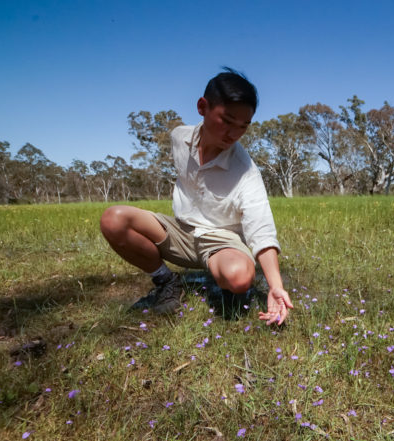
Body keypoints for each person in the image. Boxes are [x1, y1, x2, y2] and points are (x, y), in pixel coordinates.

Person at [100, 68, 292, 325]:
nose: (233, 134)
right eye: (226, 120)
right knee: (114, 219)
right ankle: (167, 281)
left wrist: (275, 285)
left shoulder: (245, 172)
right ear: (203, 107)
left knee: (239, 277)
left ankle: (224, 277)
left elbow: (262, 229)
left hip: (221, 242)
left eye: (243, 126)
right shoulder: (179, 138)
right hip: (181, 231)